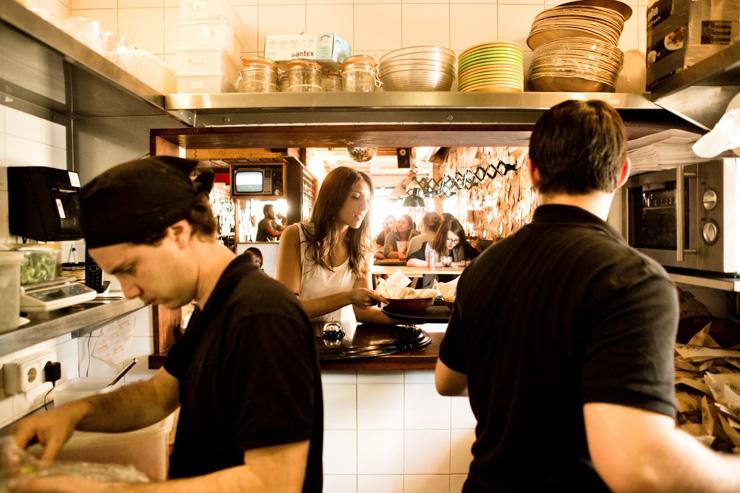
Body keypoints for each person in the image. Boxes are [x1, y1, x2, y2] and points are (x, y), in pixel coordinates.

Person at [435, 100, 740, 492]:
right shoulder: (635, 281)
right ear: (621, 174)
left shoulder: (483, 268)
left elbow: (447, 380)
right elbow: (638, 468)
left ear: (533, 173)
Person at [10, 156, 323, 493]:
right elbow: (157, 396)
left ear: (178, 233)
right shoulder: (216, 305)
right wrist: (75, 414)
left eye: (129, 268)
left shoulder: (260, 316)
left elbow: (273, 483)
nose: (129, 290)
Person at [276, 166, 392, 325]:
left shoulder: (361, 247)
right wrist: (349, 297)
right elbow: (288, 307)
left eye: (367, 199)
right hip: (302, 340)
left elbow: (362, 312)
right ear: (333, 197)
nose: (365, 207)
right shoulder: (296, 235)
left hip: (346, 341)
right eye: (356, 197)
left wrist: (408, 316)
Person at [407, 213, 479, 288]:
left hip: (455, 291)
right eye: (448, 239)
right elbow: (410, 261)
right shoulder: (431, 246)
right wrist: (434, 264)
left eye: (455, 240)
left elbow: (479, 258)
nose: (452, 244)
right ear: (442, 236)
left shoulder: (462, 246)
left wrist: (465, 263)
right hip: (434, 290)